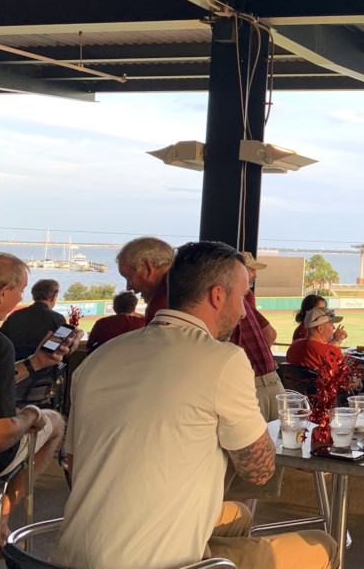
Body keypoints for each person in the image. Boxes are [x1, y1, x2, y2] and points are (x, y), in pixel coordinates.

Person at [51, 241, 335, 569]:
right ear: (217, 295)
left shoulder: (97, 359)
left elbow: (73, 463)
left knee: (239, 515)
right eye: (242, 297)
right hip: (153, 562)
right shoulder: (224, 360)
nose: (245, 311)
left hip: (68, 557)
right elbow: (259, 471)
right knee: (323, 545)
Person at [0, 253, 75, 545]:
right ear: (2, 294)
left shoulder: (2, 340)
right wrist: (30, 416)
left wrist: (35, 363)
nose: (22, 296)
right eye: (19, 290)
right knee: (55, 421)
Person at [233, 251, 281, 422]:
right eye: (251, 270)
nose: (254, 275)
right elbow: (270, 333)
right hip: (270, 382)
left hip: (253, 385)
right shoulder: (244, 298)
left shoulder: (242, 298)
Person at [116, 236, 174, 322]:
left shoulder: (162, 307)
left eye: (129, 277)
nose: (128, 287)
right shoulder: (187, 284)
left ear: (147, 267)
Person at [0, 278, 63, 357]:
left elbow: (1, 341)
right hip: (45, 367)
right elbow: (64, 348)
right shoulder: (57, 318)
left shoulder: (15, 316)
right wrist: (77, 338)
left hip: (13, 364)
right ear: (54, 296)